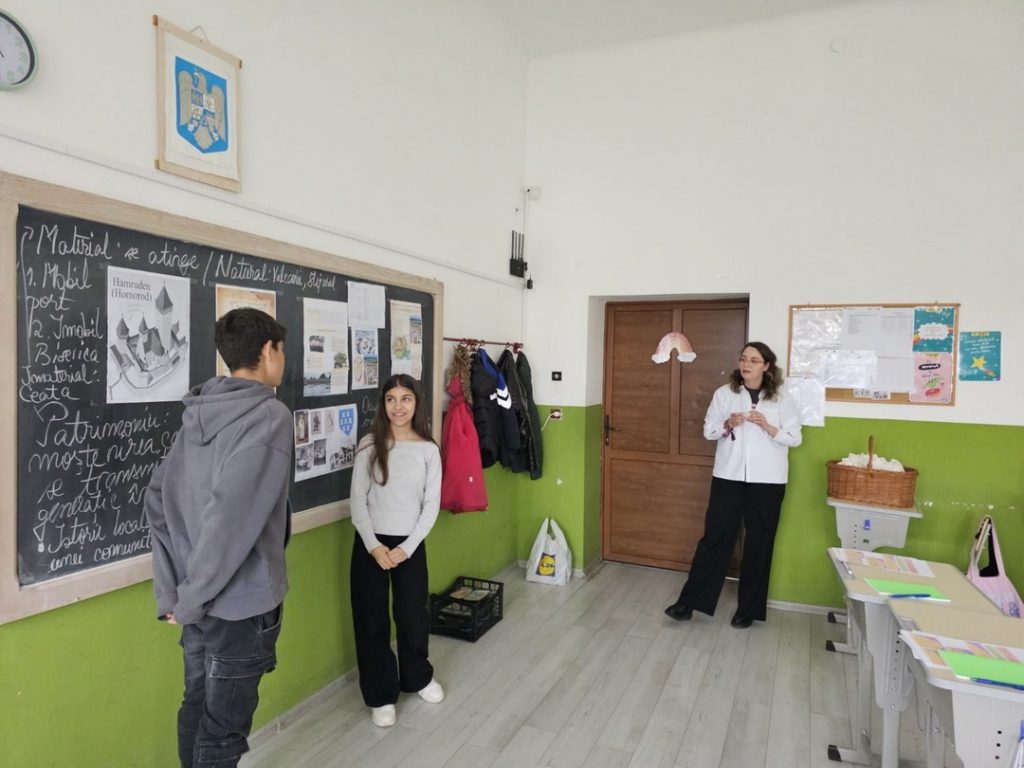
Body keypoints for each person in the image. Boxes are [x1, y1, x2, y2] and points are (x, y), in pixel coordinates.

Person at [145, 308, 293, 768]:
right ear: (267, 351)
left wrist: (176, 594)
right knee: (222, 731)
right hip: (237, 609)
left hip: (194, 600)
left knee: (196, 703)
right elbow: (229, 522)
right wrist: (190, 598)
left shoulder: (199, 413)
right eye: (281, 350)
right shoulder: (269, 415)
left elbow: (157, 500)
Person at [664, 341, 802, 629]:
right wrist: (727, 424)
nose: (746, 364)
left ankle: (747, 610)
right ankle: (689, 603)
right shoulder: (725, 394)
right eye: (743, 359)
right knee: (714, 538)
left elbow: (795, 438)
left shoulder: (782, 399)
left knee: (759, 543)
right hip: (728, 476)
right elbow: (709, 431)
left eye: (754, 360)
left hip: (768, 481)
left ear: (766, 366)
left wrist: (768, 426)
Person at [349, 373, 444, 727]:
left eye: (406, 399)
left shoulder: (428, 450)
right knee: (371, 619)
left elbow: (430, 506)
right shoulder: (369, 445)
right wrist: (375, 547)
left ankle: (417, 677)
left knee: (413, 614)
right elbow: (357, 500)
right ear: (383, 404)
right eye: (391, 399)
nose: (398, 407)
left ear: (417, 403)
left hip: (410, 546)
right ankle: (380, 695)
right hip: (370, 545)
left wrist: (406, 548)